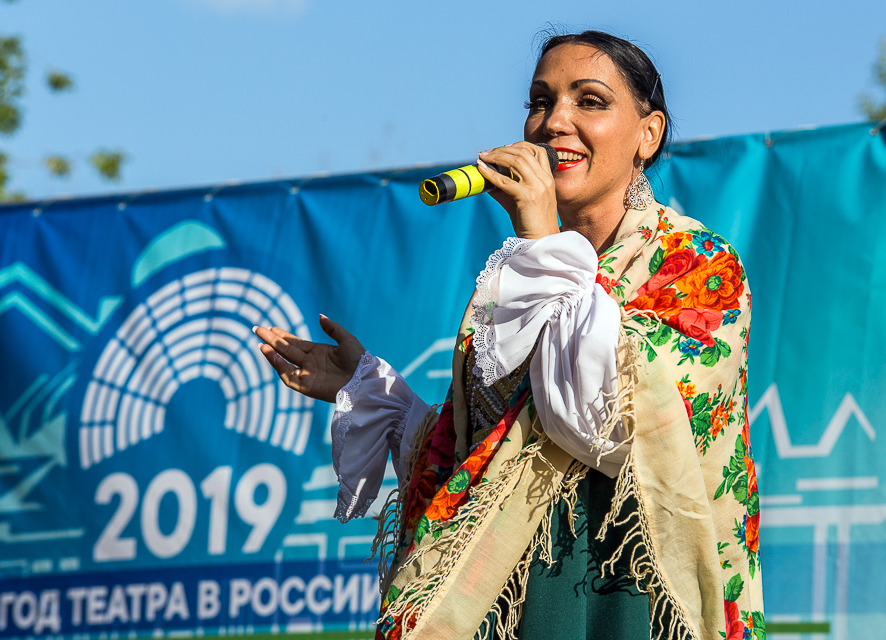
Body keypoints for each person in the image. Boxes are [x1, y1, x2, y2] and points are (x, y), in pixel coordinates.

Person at [254, 30, 763, 640]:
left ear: (647, 134)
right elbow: (481, 456)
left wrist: (543, 242)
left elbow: (604, 428)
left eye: (590, 101)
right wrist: (373, 392)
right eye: (540, 102)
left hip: (627, 607)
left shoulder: (696, 266)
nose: (555, 122)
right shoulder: (516, 282)